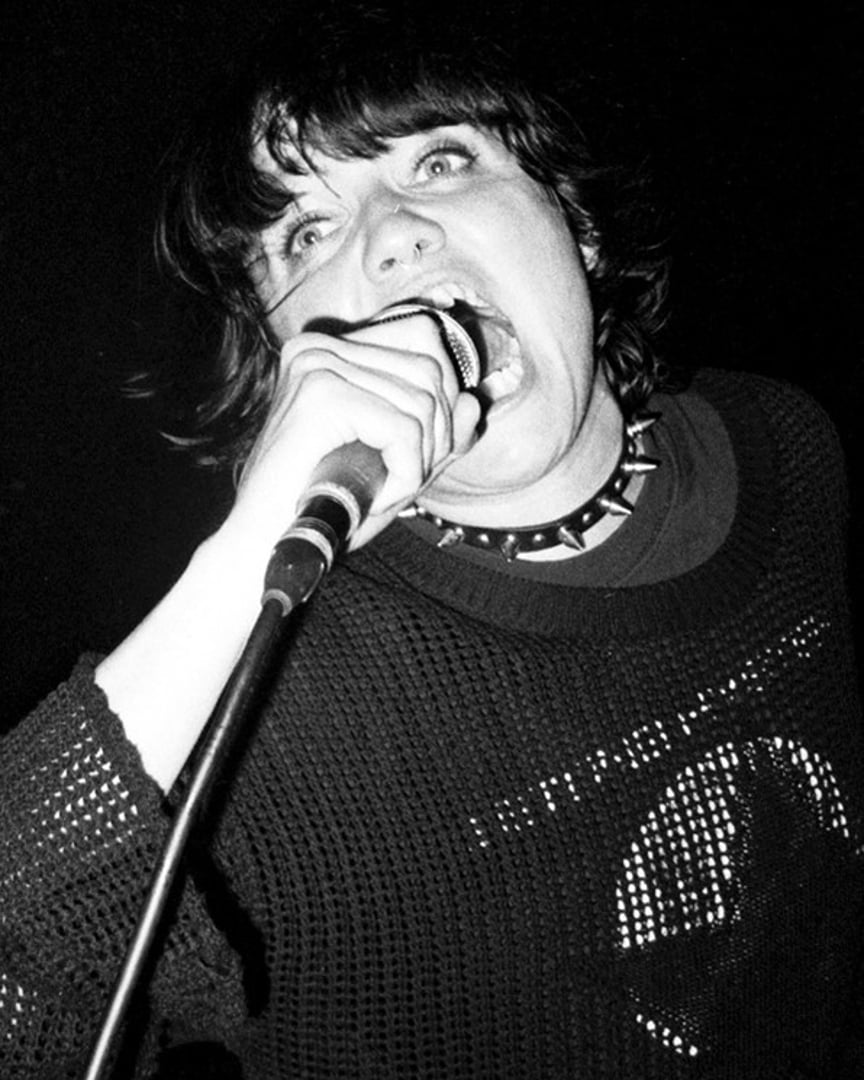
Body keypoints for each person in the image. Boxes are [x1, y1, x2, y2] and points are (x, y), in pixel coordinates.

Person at [1, 6, 862, 1078]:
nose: (393, 233)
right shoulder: (269, 716)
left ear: (576, 222)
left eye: (442, 160)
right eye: (306, 233)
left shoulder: (786, 446)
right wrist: (243, 557)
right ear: (281, 356)